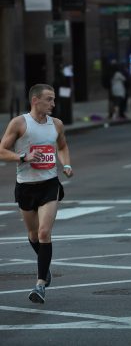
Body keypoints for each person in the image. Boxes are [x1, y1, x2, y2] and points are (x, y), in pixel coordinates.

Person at [0, 84, 73, 304]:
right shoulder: (20, 123)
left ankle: (40, 284)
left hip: (49, 184)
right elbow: (2, 151)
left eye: (53, 99)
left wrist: (66, 165)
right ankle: (45, 266)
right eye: (49, 99)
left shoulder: (57, 124)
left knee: (43, 233)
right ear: (35, 100)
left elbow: (62, 146)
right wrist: (23, 158)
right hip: (25, 186)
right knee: (32, 235)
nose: (53, 103)